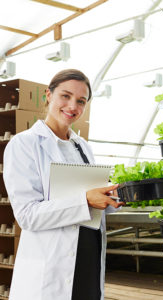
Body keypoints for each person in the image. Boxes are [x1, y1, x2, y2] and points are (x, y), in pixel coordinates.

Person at [3, 69, 124, 300]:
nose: (73, 106)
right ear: (48, 95)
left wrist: (111, 198)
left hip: (87, 259)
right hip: (52, 267)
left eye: (81, 101)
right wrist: (85, 199)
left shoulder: (83, 147)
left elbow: (91, 202)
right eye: (65, 96)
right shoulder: (24, 144)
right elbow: (28, 215)